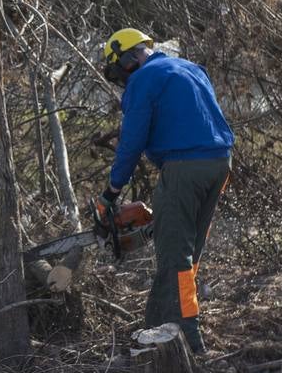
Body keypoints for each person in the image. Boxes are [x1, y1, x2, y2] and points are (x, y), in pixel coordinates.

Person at [99, 28, 233, 354]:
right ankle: (156, 324)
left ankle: (189, 339)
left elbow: (132, 141)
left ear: (128, 60)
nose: (121, 80)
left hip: (185, 167)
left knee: (176, 257)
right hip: (219, 163)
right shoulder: (190, 68)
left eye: (119, 72)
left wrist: (112, 191)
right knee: (184, 255)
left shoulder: (143, 80)